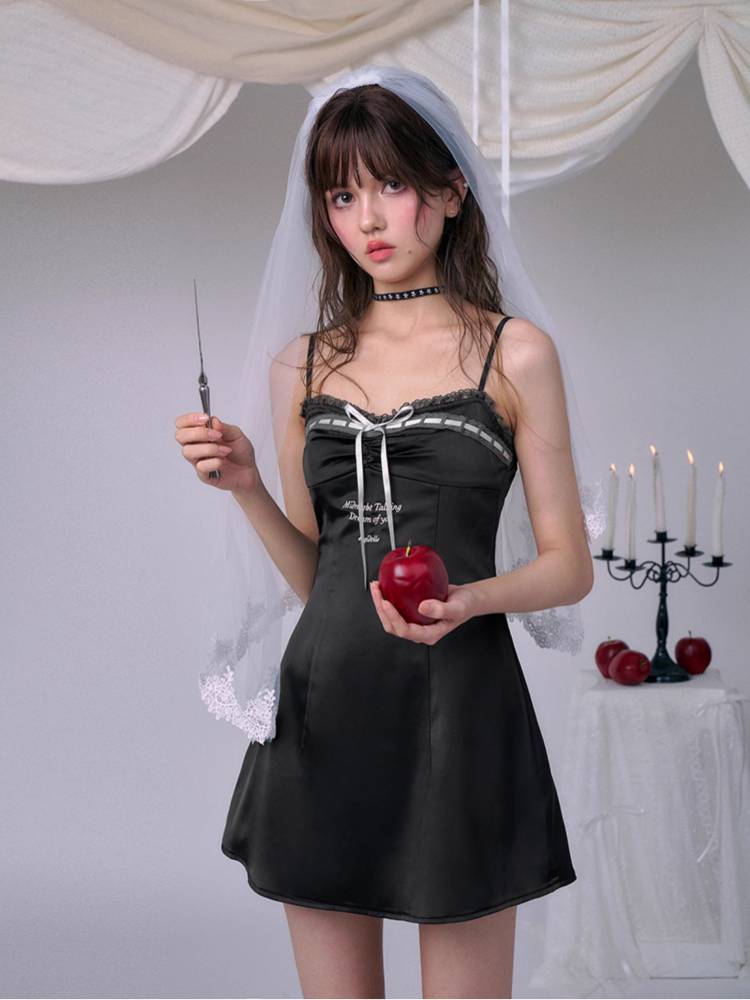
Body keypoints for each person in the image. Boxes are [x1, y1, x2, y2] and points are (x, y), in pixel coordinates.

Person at [175, 66, 598, 1000]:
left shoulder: (514, 352)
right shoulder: (302, 364)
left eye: (391, 185)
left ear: (450, 192)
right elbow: (317, 579)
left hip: (462, 706)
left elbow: (570, 567)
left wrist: (469, 600)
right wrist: (247, 487)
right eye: (341, 195)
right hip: (324, 709)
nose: (367, 218)